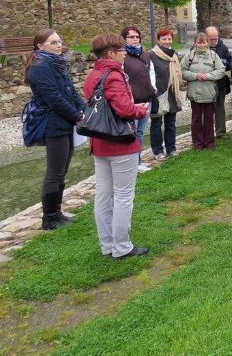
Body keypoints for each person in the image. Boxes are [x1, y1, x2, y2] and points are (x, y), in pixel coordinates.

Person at [84, 33, 150, 258]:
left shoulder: (94, 74)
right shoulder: (113, 75)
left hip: (99, 141)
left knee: (103, 195)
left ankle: (108, 244)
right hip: (120, 143)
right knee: (123, 196)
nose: (125, 53)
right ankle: (122, 247)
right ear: (111, 53)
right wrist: (141, 109)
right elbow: (124, 109)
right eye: (122, 50)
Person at [25, 30, 85, 230]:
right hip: (54, 124)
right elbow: (54, 99)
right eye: (53, 42)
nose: (59, 45)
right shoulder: (40, 68)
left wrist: (85, 109)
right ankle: (49, 217)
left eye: (60, 41)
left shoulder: (57, 64)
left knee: (62, 170)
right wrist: (77, 116)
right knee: (54, 172)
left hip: (65, 122)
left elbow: (71, 91)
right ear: (40, 46)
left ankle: (57, 212)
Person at [181, 32, 226, 150]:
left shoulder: (213, 56)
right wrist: (195, 76)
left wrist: (208, 76)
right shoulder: (189, 56)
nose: (201, 45)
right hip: (194, 93)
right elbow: (182, 71)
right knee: (196, 119)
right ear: (195, 43)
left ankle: (209, 142)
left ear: (207, 43)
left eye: (204, 42)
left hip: (209, 92)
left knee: (209, 118)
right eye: (199, 42)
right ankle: (198, 143)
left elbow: (221, 70)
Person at [121, 26, 156, 172]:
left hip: (146, 99)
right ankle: (130, 163)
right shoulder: (122, 56)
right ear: (125, 39)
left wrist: (153, 88)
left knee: (140, 132)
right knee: (131, 132)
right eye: (131, 37)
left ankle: (138, 161)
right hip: (132, 102)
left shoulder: (145, 54)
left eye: (137, 36)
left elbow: (151, 73)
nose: (135, 39)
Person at [149, 28, 182, 160]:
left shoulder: (174, 55)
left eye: (169, 39)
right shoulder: (151, 54)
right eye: (164, 39)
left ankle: (171, 148)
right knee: (156, 124)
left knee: (171, 123)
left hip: (172, 93)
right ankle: (157, 151)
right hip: (158, 93)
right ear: (158, 40)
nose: (167, 41)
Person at [207, 26, 232, 139]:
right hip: (205, 83)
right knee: (206, 109)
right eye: (211, 39)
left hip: (220, 83)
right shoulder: (199, 45)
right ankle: (206, 133)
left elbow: (230, 62)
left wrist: (222, 64)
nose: (214, 41)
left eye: (215, 38)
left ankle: (221, 132)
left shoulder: (222, 47)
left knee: (220, 108)